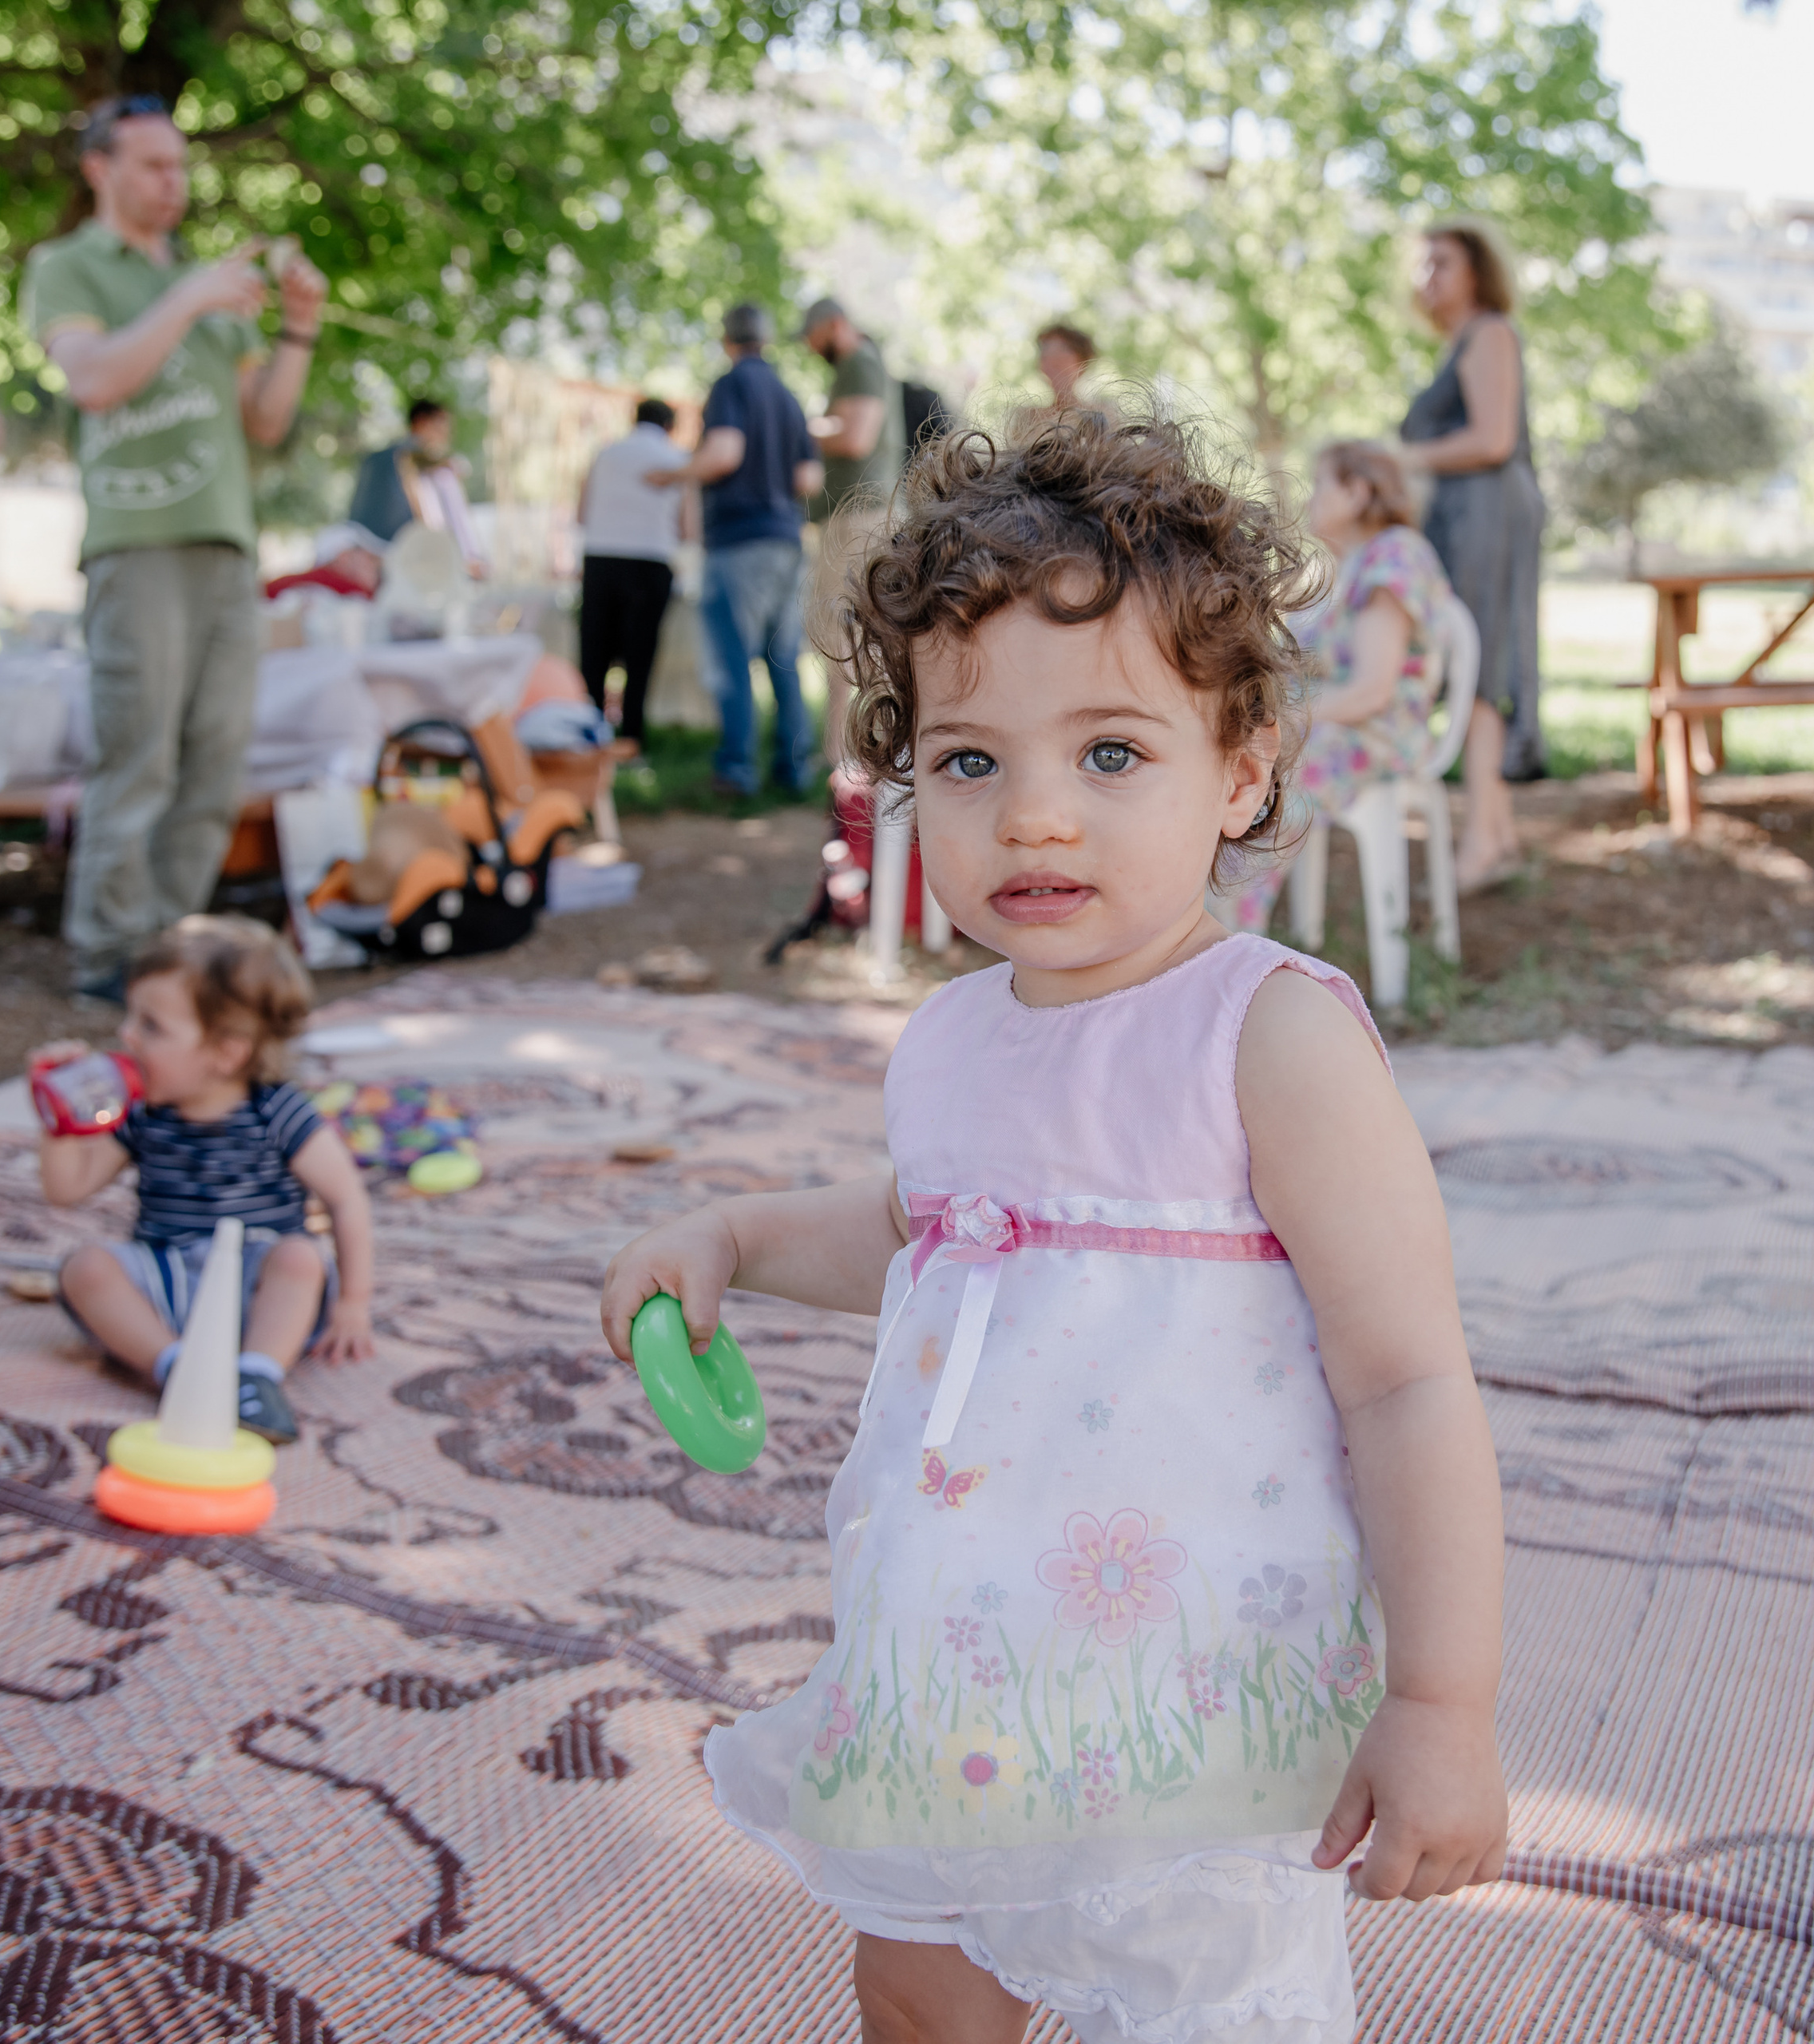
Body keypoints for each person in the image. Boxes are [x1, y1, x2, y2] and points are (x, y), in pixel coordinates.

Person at [600, 412, 1508, 2044]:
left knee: (1196, 2015)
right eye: (970, 761)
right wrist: (736, 1234)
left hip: (1189, 1703)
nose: (1031, 815)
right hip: (956, 1672)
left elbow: (1405, 1380)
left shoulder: (1267, 1035)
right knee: (914, 1986)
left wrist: (1440, 1699)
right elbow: (931, 1233)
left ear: (1241, 771)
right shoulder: (955, 1036)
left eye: (1108, 754)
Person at [19, 93, 327, 1003]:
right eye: (153, 165)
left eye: (181, 165)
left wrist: (298, 326)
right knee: (139, 754)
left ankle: (171, 947)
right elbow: (94, 379)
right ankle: (110, 953)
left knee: (216, 758)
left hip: (226, 545)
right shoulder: (69, 267)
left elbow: (263, 421)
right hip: (136, 544)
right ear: (100, 169)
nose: (173, 183)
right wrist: (186, 297)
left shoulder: (207, 284)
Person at [29, 915, 374, 1448]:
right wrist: (60, 1121)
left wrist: (353, 1300)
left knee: (300, 1257)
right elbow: (66, 1190)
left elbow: (346, 1199)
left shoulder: (277, 1111)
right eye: (131, 1017)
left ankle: (256, 1376)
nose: (127, 1035)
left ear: (226, 1052)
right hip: (167, 1284)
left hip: (256, 1290)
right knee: (85, 1267)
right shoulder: (141, 1113)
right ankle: (173, 1366)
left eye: (152, 1026)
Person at [1228, 441, 1455, 940]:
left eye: (1321, 484)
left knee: (1273, 765)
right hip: (1343, 728)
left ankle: (1230, 930)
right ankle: (1216, 918)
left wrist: (1285, 719)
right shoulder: (1350, 566)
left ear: (1357, 492)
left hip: (1376, 735)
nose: (1309, 499)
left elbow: (1372, 691)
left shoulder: (1395, 555)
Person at [1398, 219, 1546, 891]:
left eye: (1442, 263)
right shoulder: (1459, 342)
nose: (1427, 276)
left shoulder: (1490, 334)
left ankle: (1481, 843)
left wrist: (1398, 459)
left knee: (1481, 663)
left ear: (1477, 272)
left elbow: (1492, 440)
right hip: (1462, 517)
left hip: (1488, 516)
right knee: (1475, 656)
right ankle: (1500, 835)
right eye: (1423, 264)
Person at [680, 304, 822, 797]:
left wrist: (676, 473)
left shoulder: (730, 385)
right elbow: (809, 478)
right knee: (784, 660)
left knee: (731, 657)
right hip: (786, 538)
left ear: (727, 341)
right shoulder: (788, 395)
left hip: (739, 539)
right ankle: (794, 769)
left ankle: (737, 770)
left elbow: (724, 453)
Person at [799, 296, 905, 763]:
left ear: (834, 325)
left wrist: (801, 428)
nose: (809, 346)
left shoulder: (859, 361)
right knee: (857, 641)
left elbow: (855, 436)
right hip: (860, 516)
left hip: (858, 520)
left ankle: (849, 762)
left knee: (847, 641)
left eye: (811, 335)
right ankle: (853, 759)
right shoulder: (864, 362)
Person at [576, 397, 694, 749]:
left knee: (594, 652)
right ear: (670, 427)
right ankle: (631, 737)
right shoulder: (678, 460)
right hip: (651, 560)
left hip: (600, 558)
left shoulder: (604, 454)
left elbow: (581, 513)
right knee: (640, 655)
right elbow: (687, 527)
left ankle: (589, 735)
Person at [348, 398, 487, 576]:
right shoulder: (409, 455)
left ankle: (466, 557)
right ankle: (469, 558)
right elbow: (417, 473)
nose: (445, 436)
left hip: (364, 539)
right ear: (422, 422)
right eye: (441, 428)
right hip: (392, 545)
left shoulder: (379, 457)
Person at [263, 522, 385, 601]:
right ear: (344, 557)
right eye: (371, 558)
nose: (376, 565)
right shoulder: (354, 595)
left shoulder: (289, 584)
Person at [1036, 321, 1099, 412]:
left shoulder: (1099, 413)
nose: (1050, 370)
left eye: (1058, 364)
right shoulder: (1030, 415)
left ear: (1081, 365)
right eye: (1044, 358)